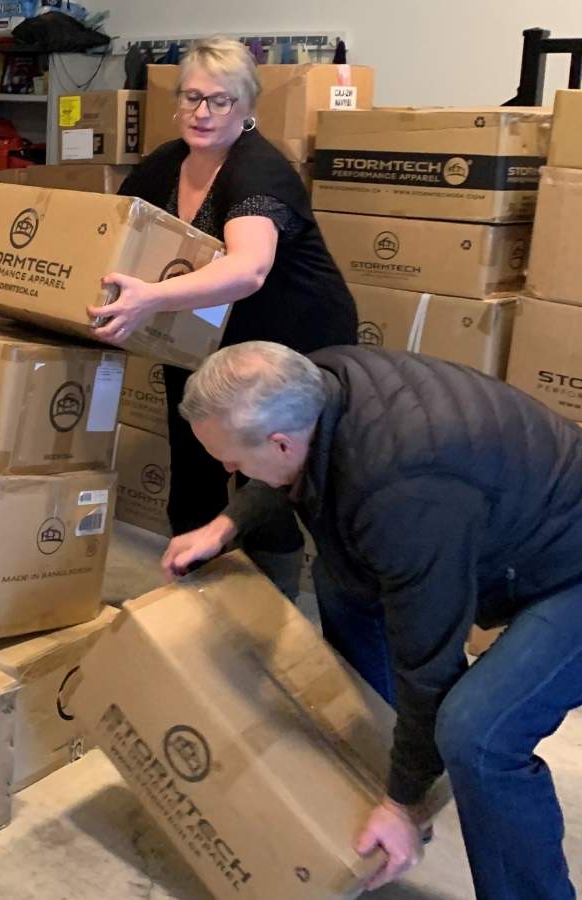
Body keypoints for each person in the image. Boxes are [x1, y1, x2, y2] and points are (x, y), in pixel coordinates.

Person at [162, 340, 582, 898]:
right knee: (343, 581)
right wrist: (228, 524)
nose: (230, 470)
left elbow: (428, 660)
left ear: (282, 441)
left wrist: (403, 802)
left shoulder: (404, 492)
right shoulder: (321, 380)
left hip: (572, 572)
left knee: (477, 730)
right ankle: (374, 769)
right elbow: (299, 471)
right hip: (520, 527)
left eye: (232, 463)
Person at [87, 36, 357, 596]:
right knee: (193, 449)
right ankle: (195, 592)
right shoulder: (167, 164)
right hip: (204, 331)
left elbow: (250, 268)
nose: (203, 113)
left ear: (247, 106)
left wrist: (148, 300)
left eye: (221, 100)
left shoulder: (259, 170)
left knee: (266, 470)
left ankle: (271, 602)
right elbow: (112, 228)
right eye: (191, 98)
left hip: (291, 336)